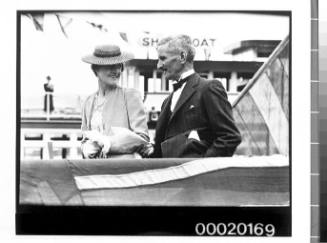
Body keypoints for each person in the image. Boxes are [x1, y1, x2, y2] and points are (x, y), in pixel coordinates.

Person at [152, 35, 241, 158]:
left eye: (163, 58)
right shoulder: (166, 101)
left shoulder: (209, 88)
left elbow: (230, 137)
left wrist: (202, 167)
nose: (158, 65)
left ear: (182, 57)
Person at [81, 44, 153, 159]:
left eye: (118, 66)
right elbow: (85, 139)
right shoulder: (88, 102)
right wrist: (86, 148)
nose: (115, 71)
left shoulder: (130, 96)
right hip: (95, 170)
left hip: (123, 169)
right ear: (96, 69)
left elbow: (142, 139)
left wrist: (107, 143)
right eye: (109, 66)